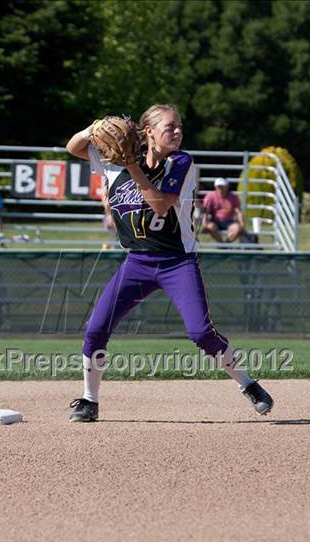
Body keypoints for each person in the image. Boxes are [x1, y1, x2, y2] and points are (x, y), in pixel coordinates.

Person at [66, 104, 273, 422]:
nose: (177, 131)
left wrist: (132, 164)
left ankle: (248, 384)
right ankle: (89, 401)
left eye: (179, 126)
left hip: (178, 262)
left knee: (201, 333)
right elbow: (74, 148)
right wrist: (93, 129)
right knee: (96, 328)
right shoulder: (114, 162)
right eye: (169, 126)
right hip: (137, 262)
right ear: (148, 132)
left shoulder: (181, 162)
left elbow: (160, 205)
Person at [202, 177, 245, 243]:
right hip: (215, 221)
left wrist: (242, 224)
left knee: (238, 228)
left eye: (223, 187)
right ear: (215, 187)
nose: (220, 189)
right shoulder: (210, 196)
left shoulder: (233, 197)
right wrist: (205, 223)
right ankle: (223, 245)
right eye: (219, 187)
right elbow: (206, 211)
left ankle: (225, 244)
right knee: (210, 226)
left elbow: (238, 212)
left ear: (227, 187)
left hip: (229, 221)